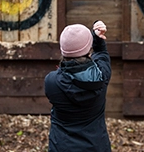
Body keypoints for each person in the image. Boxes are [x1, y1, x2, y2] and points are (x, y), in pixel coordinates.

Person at [44, 21, 112, 152]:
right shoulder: (102, 76)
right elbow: (102, 55)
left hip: (62, 147)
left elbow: (62, 73)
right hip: (96, 146)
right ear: (88, 49)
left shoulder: (51, 82)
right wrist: (97, 40)